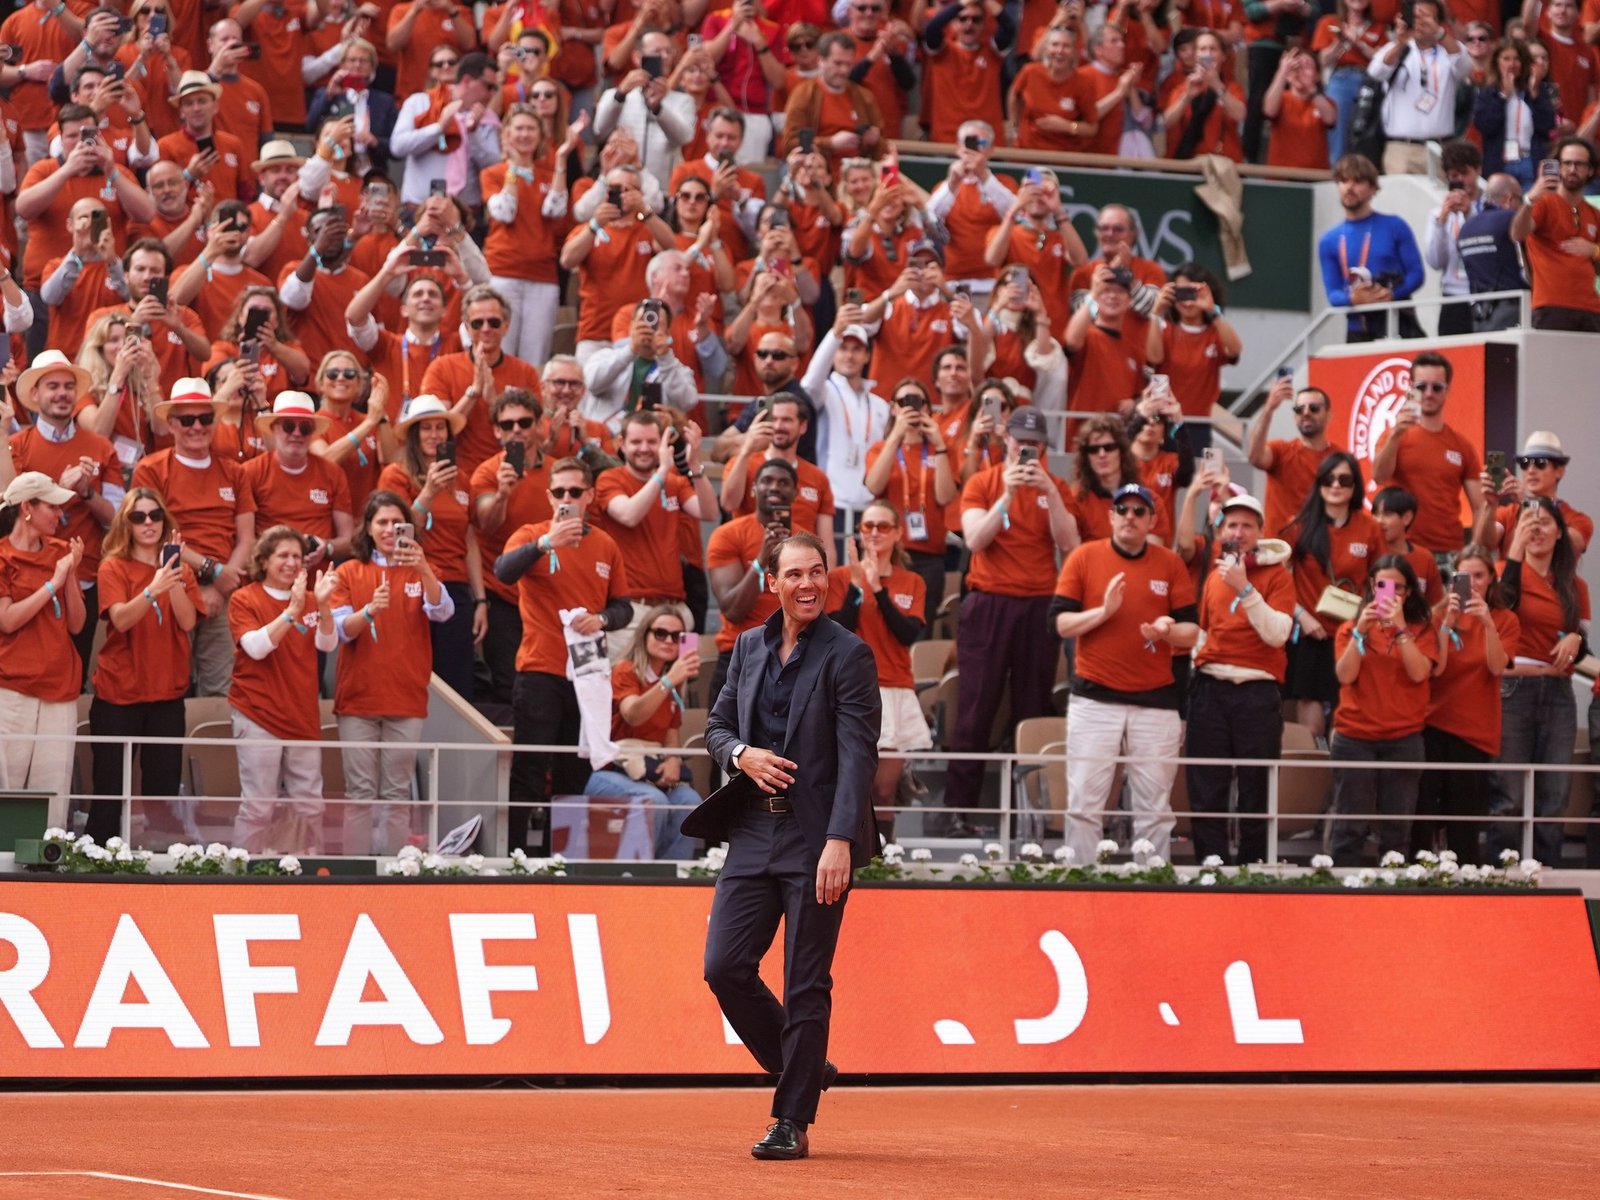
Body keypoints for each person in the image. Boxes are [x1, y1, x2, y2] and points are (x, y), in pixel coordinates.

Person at [702, 530, 880, 1161]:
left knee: (806, 982)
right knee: (723, 967)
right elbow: (717, 726)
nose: (809, 584)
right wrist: (741, 755)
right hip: (752, 828)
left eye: (818, 572)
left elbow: (859, 757)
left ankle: (791, 1120)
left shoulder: (849, 655)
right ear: (770, 582)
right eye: (795, 574)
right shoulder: (748, 647)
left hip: (816, 837)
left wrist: (840, 841)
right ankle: (803, 1067)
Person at [946, 407, 1078, 834]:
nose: (1027, 451)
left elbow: (1070, 543)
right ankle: (959, 812)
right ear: (1007, 443)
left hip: (1039, 603)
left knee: (1032, 706)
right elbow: (975, 539)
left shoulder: (1056, 487)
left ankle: (1034, 814)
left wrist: (1050, 494)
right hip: (988, 602)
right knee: (975, 707)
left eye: (1035, 445)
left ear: (1045, 448)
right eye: (1021, 443)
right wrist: (1006, 494)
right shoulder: (983, 482)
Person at [1052, 482, 1197, 865]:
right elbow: (1061, 623)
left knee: (1155, 810)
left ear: (1151, 519)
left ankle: (1153, 883)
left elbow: (1192, 631)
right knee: (1084, 801)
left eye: (1139, 511)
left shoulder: (1170, 563)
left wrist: (1167, 631)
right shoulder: (1084, 557)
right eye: (1123, 510)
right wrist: (1104, 612)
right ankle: (1079, 880)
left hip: (1156, 700)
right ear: (1111, 516)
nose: (1130, 517)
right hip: (1094, 698)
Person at [495, 456, 632, 853]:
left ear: (590, 495)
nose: (566, 498)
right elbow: (502, 571)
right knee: (530, 771)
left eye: (575, 492)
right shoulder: (532, 533)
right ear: (549, 495)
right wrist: (544, 543)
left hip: (587, 674)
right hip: (540, 669)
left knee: (575, 771)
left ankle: (563, 858)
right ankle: (517, 856)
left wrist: (601, 618)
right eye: (559, 492)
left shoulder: (605, 543)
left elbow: (623, 607)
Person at [331, 490, 455, 855]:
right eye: (381, 522)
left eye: (395, 523)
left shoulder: (419, 570)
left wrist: (424, 568)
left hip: (406, 698)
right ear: (367, 528)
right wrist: (368, 611)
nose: (388, 529)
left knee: (397, 793)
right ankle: (355, 872)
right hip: (358, 699)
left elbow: (443, 611)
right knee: (359, 794)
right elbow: (341, 631)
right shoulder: (349, 571)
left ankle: (395, 872)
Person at [1183, 492, 1294, 864]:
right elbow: (1203, 630)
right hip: (1210, 688)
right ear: (1221, 530)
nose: (1239, 531)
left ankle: (1254, 871)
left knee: (1256, 790)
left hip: (1257, 692)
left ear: (1261, 531)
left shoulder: (1278, 575)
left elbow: (1278, 634)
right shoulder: (1213, 576)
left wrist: (1246, 588)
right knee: (1206, 789)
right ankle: (1211, 869)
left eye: (1248, 525)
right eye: (1232, 524)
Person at [86, 486, 201, 843]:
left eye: (155, 515)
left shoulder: (180, 570)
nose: (148, 522)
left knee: (162, 792)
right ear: (127, 523)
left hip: (167, 695)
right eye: (139, 517)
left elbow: (187, 622)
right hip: (118, 696)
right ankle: (94, 867)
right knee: (108, 793)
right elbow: (119, 620)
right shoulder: (113, 567)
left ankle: (160, 868)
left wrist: (173, 579)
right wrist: (152, 588)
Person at [1, 349, 122, 681]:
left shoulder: (101, 446)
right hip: (24, 577)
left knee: (76, 671)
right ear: (35, 395)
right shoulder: (15, 444)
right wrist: (58, 487)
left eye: (68, 386)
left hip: (83, 576)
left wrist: (85, 492)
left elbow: (115, 517)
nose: (62, 393)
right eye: (52, 386)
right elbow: (9, 509)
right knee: (22, 669)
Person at [129, 378, 255, 695]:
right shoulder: (151, 469)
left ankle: (207, 747)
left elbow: (247, 538)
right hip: (170, 585)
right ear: (171, 424)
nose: (197, 426)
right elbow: (149, 535)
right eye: (187, 420)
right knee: (166, 684)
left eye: (205, 418)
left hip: (224, 591)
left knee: (222, 687)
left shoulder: (234, 472)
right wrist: (211, 572)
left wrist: (220, 584)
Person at [1487, 497, 1589, 866]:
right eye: (1529, 521)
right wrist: (1513, 553)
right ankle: (1501, 875)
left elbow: (1583, 653)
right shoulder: (1501, 570)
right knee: (1509, 794)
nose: (1537, 529)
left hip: (1559, 692)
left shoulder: (1574, 585)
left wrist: (1576, 640)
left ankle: (1548, 875)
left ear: (1560, 532)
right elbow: (1504, 608)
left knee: (1554, 794)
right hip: (1514, 689)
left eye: (1545, 522)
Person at [227, 525, 339, 853]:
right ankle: (241, 876)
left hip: (302, 714)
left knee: (311, 805)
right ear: (263, 560)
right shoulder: (244, 598)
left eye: (298, 557)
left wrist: (324, 606)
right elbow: (257, 647)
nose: (291, 563)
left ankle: (309, 873)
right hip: (257, 712)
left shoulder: (310, 600)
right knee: (258, 805)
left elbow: (327, 643)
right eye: (283, 555)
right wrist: (291, 611)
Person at [1328, 555, 1438, 863]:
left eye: (1396, 588)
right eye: (1381, 586)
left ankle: (1394, 898)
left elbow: (1419, 673)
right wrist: (1360, 632)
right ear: (1370, 588)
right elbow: (1345, 675)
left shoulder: (1422, 630)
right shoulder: (1351, 628)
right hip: (1355, 736)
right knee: (1349, 826)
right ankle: (1341, 896)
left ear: (1409, 593)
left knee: (1397, 829)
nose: (1388, 594)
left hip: (1404, 737)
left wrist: (1401, 629)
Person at [827, 499, 928, 829]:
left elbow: (907, 634)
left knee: (884, 789)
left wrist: (878, 589)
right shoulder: (839, 578)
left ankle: (884, 862)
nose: (873, 533)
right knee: (852, 786)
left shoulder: (912, 581)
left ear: (898, 533)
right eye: (867, 526)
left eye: (883, 526)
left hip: (896, 688)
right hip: (850, 689)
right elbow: (836, 630)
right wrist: (857, 587)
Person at [1415, 544, 1516, 862]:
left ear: (1491, 580)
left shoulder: (1505, 619)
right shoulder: (1436, 615)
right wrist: (1447, 622)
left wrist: (1487, 624)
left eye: (1479, 576)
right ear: (1451, 580)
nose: (1472, 583)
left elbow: (1498, 667)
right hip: (1432, 722)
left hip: (1474, 729)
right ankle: (1418, 876)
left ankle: (1467, 883)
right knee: (1424, 810)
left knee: (1464, 818)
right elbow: (1435, 668)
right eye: (1464, 576)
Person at [376, 394, 481, 702]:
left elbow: (470, 538)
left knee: (456, 681)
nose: (435, 435)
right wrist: (429, 491)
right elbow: (399, 533)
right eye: (426, 428)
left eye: (440, 427)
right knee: (411, 674)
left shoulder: (462, 480)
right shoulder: (395, 474)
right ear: (413, 435)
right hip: (411, 583)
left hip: (455, 586)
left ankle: (449, 750)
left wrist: (482, 600)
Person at [592, 410, 717, 659]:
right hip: (630, 611)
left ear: (662, 444)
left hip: (674, 609)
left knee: (677, 688)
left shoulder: (675, 481)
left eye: (651, 441)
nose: (644, 448)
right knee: (624, 688)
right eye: (636, 442)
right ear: (621, 444)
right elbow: (628, 515)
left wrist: (695, 467)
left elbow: (709, 512)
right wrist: (661, 473)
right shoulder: (609, 478)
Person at [582, 605, 704, 860]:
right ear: (644, 634)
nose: (668, 640)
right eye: (660, 633)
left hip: (650, 771)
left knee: (689, 799)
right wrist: (668, 680)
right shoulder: (626, 670)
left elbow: (671, 738)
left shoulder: (672, 682)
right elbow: (633, 714)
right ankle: (641, 876)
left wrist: (673, 761)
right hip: (610, 772)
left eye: (676, 636)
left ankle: (674, 881)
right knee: (653, 800)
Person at [0, 472, 85, 829]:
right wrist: (55, 582)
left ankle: (47, 876)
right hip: (12, 688)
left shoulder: (62, 553)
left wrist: (71, 575)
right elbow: (7, 620)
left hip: (60, 686)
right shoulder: (2, 556)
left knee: (52, 794)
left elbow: (78, 624)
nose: (60, 515)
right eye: (52, 507)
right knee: (8, 788)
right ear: (27, 509)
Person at [1284, 451, 1381, 743]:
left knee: (1343, 727)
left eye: (1344, 479)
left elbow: (1384, 580)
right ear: (1319, 483)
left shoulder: (1370, 527)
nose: (1336, 485)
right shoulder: (1298, 525)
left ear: (1355, 486)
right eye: (1328, 479)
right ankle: (1311, 787)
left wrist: (1374, 620)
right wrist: (1300, 615)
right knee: (1311, 730)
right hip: (1310, 635)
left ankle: (1339, 788)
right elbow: (1273, 582)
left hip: (1353, 634)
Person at [1371, 351, 1485, 564]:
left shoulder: (1462, 446)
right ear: (1411, 389)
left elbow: (1480, 507)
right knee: (1386, 598)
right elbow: (1378, 476)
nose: (1429, 393)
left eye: (1437, 387)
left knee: (1450, 600)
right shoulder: (1392, 436)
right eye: (1421, 387)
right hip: (1396, 551)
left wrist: (1474, 551)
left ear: (1447, 390)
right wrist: (1396, 433)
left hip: (1448, 553)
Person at [705, 458, 793, 708]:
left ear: (794, 492)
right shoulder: (727, 534)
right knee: (729, 743)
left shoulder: (805, 542)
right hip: (740, 655)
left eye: (783, 482)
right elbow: (732, 610)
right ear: (753, 490)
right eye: (767, 481)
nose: (775, 487)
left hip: (792, 656)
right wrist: (760, 561)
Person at [1316, 153, 1425, 342]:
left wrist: (1391, 294)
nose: (1349, 188)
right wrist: (1353, 300)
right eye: (1343, 181)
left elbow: (1416, 274)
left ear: (1372, 188)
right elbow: (1333, 293)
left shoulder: (1394, 226)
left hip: (1397, 325)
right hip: (1358, 329)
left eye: (1357, 181)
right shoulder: (1329, 240)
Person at [242, 392, 355, 569]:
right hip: (268, 579)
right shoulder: (251, 472)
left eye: (305, 428)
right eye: (288, 426)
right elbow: (243, 539)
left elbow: (348, 541)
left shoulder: (333, 473)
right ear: (273, 428)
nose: (296, 433)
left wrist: (326, 546)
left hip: (319, 581)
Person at [1144, 263, 1240, 452]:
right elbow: (1153, 358)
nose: (1188, 302)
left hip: (1198, 424)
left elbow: (1235, 349)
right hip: (1162, 422)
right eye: (1182, 294)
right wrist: (1156, 313)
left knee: (1195, 479)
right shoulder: (1164, 329)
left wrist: (1213, 310)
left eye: (1193, 294)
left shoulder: (1214, 333)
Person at [1366, 0, 1470, 175]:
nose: (1421, 23)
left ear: (1438, 21)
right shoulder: (1395, 49)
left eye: (1427, 17)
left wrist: (1440, 34)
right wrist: (1400, 42)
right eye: (1415, 17)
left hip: (1440, 148)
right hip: (1401, 148)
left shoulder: (1448, 49)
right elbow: (1376, 72)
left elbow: (1465, 65)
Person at [1509, 135, 1600, 332]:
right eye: (1566, 163)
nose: (1572, 169)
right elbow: (1517, 233)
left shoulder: (1594, 213)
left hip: (1591, 307)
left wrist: (1594, 250)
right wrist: (1529, 200)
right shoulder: (1544, 203)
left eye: (1579, 164)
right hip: (1551, 304)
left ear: (1590, 170)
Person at [1247, 377, 1342, 542]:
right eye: (1299, 409)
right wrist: (1269, 409)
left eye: (1314, 408)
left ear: (1328, 415)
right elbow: (1255, 457)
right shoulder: (1281, 450)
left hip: (1320, 547)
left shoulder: (1340, 458)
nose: (1306, 413)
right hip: (1279, 550)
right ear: (1294, 417)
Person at [1472, 431, 1592, 556]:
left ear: (1559, 471)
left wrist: (1527, 502)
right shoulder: (1508, 513)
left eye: (1540, 463)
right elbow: (1482, 547)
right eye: (1525, 463)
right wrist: (1490, 505)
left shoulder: (1577, 519)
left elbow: (1569, 546)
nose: (1530, 470)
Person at [1423, 142, 1488, 337]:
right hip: (1452, 298)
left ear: (1478, 170)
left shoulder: (1489, 209)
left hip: (1484, 296)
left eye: (1464, 174)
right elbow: (1435, 262)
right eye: (1453, 176)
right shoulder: (1437, 214)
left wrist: (1470, 214)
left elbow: (1485, 248)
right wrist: (1441, 222)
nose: (1460, 181)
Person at [1472, 39, 1555, 186]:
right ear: (1497, 62)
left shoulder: (1537, 90)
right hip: (1501, 162)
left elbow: (1547, 125)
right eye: (1506, 59)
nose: (1512, 64)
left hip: (1530, 161)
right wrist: (1503, 96)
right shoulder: (1488, 92)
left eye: (1516, 59)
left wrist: (1535, 94)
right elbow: (1485, 126)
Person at [1458, 172, 1529, 333]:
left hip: (1479, 314)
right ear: (1510, 198)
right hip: (1514, 311)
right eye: (1520, 199)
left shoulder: (1466, 227)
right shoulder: (1512, 219)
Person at [1263, 45, 1335, 170]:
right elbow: (1268, 110)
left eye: (1306, 67)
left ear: (1317, 75)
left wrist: (1312, 89)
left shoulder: (1324, 102)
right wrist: (1283, 71)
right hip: (1282, 175)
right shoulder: (1282, 99)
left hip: (1315, 175)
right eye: (1296, 67)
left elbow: (1330, 119)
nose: (1300, 72)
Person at [1371, 485, 1443, 600]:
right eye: (1375, 514)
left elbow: (1435, 604)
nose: (1379, 521)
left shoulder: (1425, 558)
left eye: (1387, 514)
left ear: (1407, 518)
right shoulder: (1369, 554)